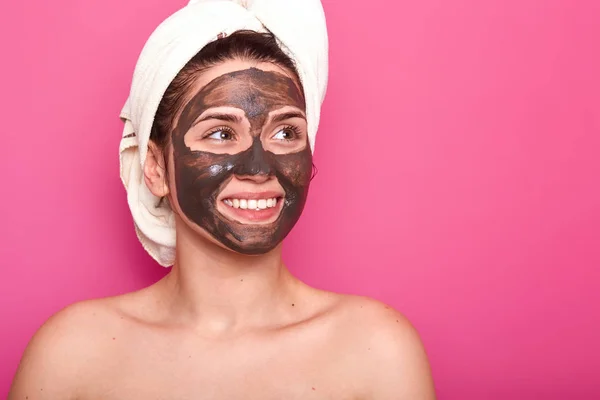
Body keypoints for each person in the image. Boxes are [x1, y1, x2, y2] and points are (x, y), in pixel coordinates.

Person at [9, 1, 436, 399]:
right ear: (155, 167)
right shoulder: (71, 355)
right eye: (221, 133)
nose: (259, 167)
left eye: (286, 133)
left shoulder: (376, 351)